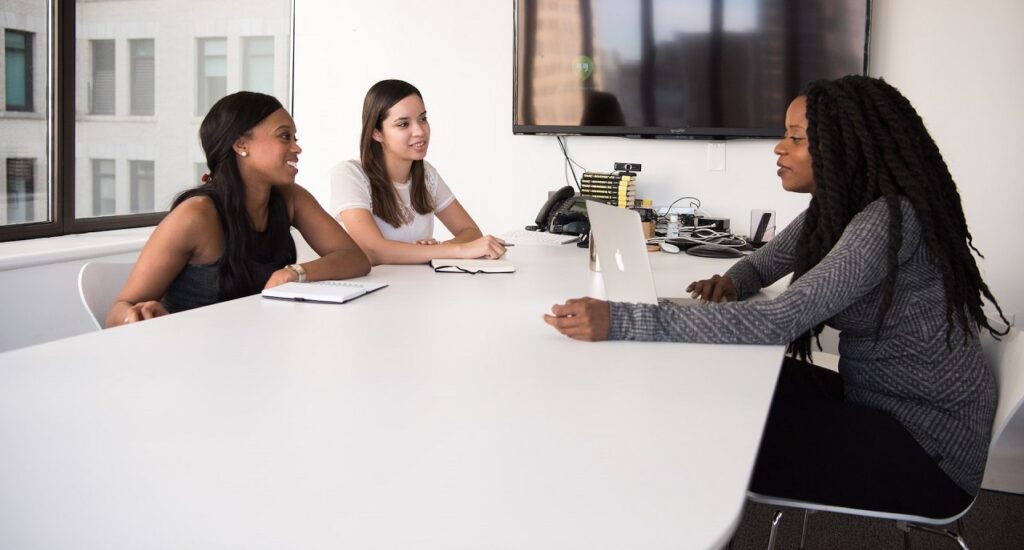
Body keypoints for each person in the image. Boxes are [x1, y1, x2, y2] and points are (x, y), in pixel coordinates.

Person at [543, 75, 1010, 518]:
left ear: (843, 149)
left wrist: (623, 320)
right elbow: (763, 262)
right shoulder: (837, 211)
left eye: (797, 138)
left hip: (926, 448)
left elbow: (779, 320)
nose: (779, 147)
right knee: (723, 382)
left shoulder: (887, 220)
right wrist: (734, 281)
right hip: (878, 399)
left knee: (711, 433)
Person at [107, 92, 370, 327]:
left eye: (294, 137)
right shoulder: (196, 216)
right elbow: (116, 314)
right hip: (192, 358)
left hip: (253, 348)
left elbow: (354, 258)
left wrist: (294, 273)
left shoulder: (291, 198)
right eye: (284, 136)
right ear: (241, 144)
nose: (296, 147)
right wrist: (136, 315)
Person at [330, 79, 506, 265]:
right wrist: (450, 250)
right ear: (377, 133)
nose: (420, 131)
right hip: (372, 290)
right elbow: (374, 251)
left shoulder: (426, 174)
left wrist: (434, 251)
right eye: (403, 124)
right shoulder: (349, 174)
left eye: (422, 119)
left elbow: (470, 232)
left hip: (418, 287)